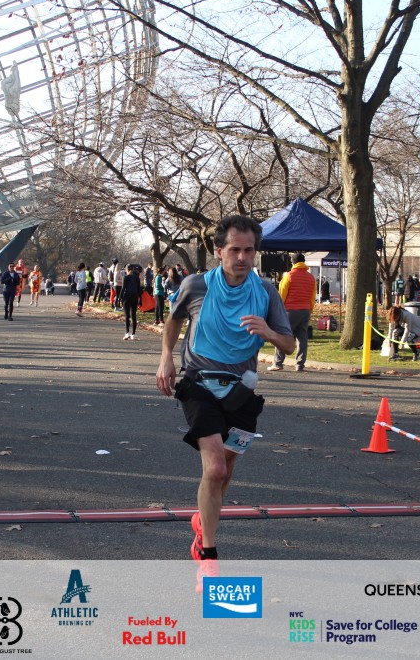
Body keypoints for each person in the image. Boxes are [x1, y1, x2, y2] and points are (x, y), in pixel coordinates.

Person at [156, 215, 293, 588]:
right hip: (198, 383)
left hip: (242, 390)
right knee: (215, 468)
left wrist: (269, 332)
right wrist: (166, 357)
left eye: (249, 250)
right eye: (235, 249)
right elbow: (174, 320)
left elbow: (290, 344)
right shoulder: (196, 285)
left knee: (226, 470)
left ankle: (205, 518)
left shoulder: (265, 291)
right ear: (219, 251)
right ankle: (208, 556)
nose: (243, 257)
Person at [268, 253, 316, 372]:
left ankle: (278, 363)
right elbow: (313, 296)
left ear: (293, 262)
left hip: (290, 310)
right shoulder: (311, 277)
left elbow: (281, 295)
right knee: (302, 338)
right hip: (305, 310)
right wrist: (310, 309)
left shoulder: (289, 276)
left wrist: (278, 310)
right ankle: (300, 364)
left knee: (282, 335)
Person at [121, 263, 143, 340]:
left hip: (127, 297)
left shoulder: (126, 277)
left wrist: (119, 299)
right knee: (133, 316)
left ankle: (127, 333)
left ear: (127, 270)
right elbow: (139, 290)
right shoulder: (137, 278)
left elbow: (123, 288)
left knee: (127, 316)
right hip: (135, 297)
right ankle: (133, 334)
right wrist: (140, 300)